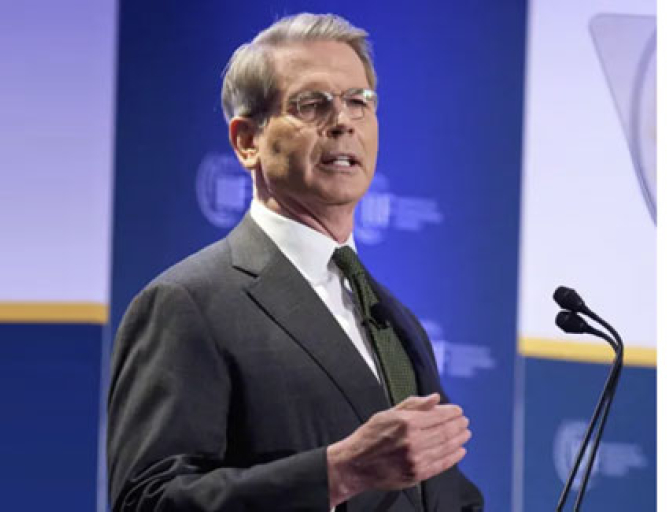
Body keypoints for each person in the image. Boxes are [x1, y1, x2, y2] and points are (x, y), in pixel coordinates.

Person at [107, 13, 484, 512]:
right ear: (247, 142)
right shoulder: (187, 304)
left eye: (359, 101)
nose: (343, 121)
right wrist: (338, 473)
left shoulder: (398, 322)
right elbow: (148, 500)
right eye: (312, 104)